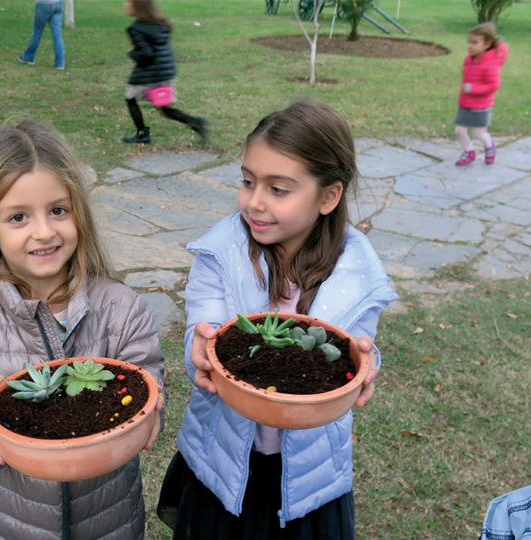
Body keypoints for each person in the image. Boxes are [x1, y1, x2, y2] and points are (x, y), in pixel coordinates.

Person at [156, 98, 398, 540]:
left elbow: (356, 347)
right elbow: (202, 332)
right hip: (223, 462)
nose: (254, 202)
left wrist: (368, 361)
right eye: (248, 182)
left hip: (309, 475)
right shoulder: (219, 254)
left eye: (278, 189)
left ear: (329, 196)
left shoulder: (358, 273)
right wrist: (198, 348)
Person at [0, 119, 166, 540]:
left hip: (109, 521)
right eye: (18, 217)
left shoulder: (122, 309)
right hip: (11, 525)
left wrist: (152, 410)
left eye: (58, 210)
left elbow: (149, 405)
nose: (44, 231)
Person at [122, 0, 208, 145]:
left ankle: (142, 134)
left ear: (137, 6)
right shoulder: (161, 23)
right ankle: (197, 122)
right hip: (164, 72)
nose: (125, 4)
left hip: (151, 74)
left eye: (128, 1)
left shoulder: (136, 28)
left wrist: (132, 52)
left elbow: (146, 54)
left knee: (130, 98)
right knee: (164, 108)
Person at [454, 22, 509, 166]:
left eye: (475, 42)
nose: (470, 46)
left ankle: (489, 146)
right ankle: (469, 151)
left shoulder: (490, 64)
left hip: (481, 106)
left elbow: (493, 85)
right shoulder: (469, 60)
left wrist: (472, 89)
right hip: (465, 103)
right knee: (459, 131)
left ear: (487, 44)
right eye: (469, 42)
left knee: (478, 134)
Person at [18, 0, 65, 69]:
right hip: (58, 4)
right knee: (57, 34)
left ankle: (28, 56)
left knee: (37, 32)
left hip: (44, 4)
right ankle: (60, 62)